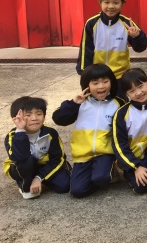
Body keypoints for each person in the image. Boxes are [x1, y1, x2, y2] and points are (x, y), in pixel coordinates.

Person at [52, 64, 122, 198]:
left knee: (101, 178)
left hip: (104, 153)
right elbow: (59, 119)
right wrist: (73, 104)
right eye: (95, 83)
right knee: (77, 191)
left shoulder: (117, 103)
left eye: (105, 81)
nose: (101, 86)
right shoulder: (80, 103)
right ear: (87, 85)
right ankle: (99, 172)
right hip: (82, 155)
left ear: (112, 82)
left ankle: (109, 171)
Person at [77, 0, 147, 90]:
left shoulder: (127, 23)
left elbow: (140, 48)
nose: (111, 6)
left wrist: (136, 36)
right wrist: (84, 73)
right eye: (106, 2)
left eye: (116, 2)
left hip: (120, 77)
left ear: (123, 3)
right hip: (98, 76)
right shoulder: (92, 23)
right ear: (100, 2)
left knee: (119, 100)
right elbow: (85, 51)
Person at [4, 97, 71, 199]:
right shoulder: (12, 136)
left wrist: (38, 178)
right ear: (16, 118)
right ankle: (25, 185)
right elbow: (19, 158)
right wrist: (20, 131)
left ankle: (38, 178)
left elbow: (57, 158)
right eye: (28, 115)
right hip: (20, 166)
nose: (34, 118)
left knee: (64, 185)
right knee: (26, 162)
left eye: (39, 114)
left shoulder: (50, 133)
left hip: (44, 164)